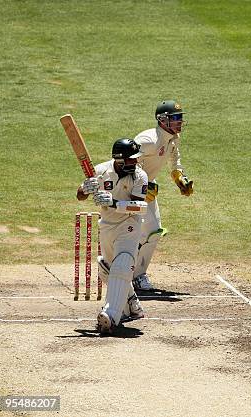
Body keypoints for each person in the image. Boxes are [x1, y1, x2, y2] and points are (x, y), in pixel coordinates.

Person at [77, 138, 148, 335]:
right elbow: (79, 195)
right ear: (119, 159)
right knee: (107, 268)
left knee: (123, 264)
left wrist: (114, 202)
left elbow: (141, 207)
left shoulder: (140, 176)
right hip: (107, 226)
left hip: (129, 226)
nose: (135, 163)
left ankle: (111, 315)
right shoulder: (100, 171)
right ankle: (131, 304)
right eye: (131, 160)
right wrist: (85, 189)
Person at [131, 100, 194, 291]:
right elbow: (128, 164)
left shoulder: (173, 139)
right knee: (134, 232)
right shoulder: (147, 140)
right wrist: (141, 186)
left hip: (147, 190)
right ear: (162, 120)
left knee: (154, 232)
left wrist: (180, 180)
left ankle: (137, 276)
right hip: (130, 190)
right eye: (175, 118)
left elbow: (175, 162)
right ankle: (121, 269)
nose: (179, 122)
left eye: (180, 118)